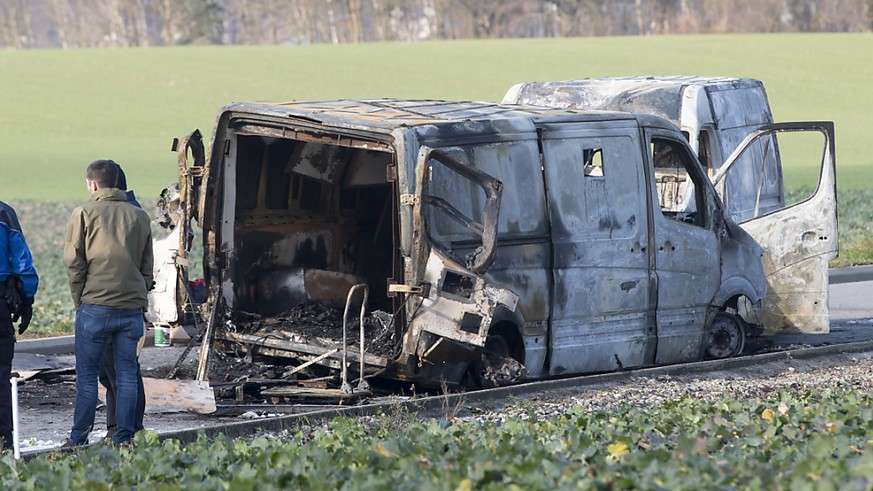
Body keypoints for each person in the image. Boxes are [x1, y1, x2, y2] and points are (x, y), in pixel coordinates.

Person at [63, 160, 153, 446]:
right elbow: (147, 266)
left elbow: (74, 262)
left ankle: (78, 440)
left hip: (95, 307)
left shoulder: (84, 213)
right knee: (127, 376)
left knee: (87, 379)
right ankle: (124, 438)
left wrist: (81, 299)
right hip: (130, 310)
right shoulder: (139, 216)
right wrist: (139, 297)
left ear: (93, 184)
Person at [97, 162, 146, 441]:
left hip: (113, 303)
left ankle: (124, 429)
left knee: (119, 372)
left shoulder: (123, 215)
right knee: (119, 372)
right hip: (129, 302)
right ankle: (122, 428)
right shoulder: (135, 211)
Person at [0, 201, 38, 452]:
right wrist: (26, 299)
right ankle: (3, 444)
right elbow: (22, 262)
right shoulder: (4, 213)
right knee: (1, 375)